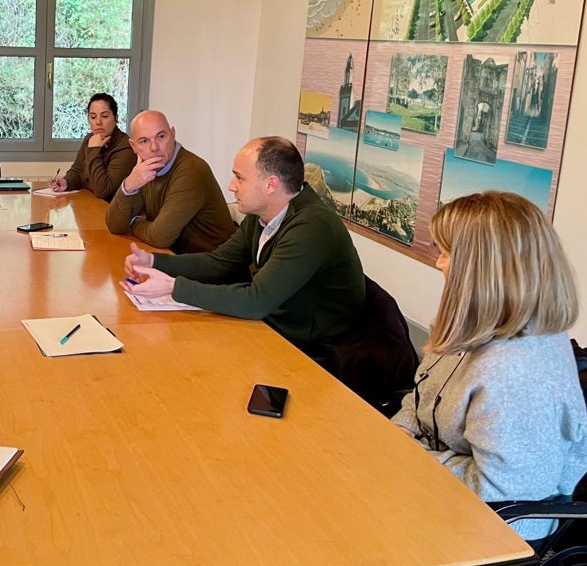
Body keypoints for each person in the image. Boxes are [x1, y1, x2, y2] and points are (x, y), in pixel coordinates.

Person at [319, 191, 587, 566]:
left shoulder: (516, 371)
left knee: (343, 498)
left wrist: (404, 460)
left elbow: (501, 494)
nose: (438, 263)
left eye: (447, 253)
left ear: (483, 270)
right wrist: (397, 435)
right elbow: (419, 397)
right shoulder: (477, 327)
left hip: (501, 524)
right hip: (445, 483)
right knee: (330, 462)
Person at [121, 136, 365, 364]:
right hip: (276, 327)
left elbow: (255, 301)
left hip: (312, 352)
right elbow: (218, 262)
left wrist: (174, 287)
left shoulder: (312, 226)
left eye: (240, 178)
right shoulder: (263, 214)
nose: (231, 186)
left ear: (271, 185)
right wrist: (154, 261)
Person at [104, 109, 237, 253]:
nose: (154, 147)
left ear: (173, 134)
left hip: (212, 267)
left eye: (161, 136)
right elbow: (114, 225)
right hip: (176, 258)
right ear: (134, 146)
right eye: (144, 141)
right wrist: (129, 184)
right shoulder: (145, 169)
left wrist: (132, 222)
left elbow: (159, 237)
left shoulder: (191, 170)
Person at [48, 92, 136, 201]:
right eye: (93, 117)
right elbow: (78, 170)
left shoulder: (125, 148)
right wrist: (66, 182)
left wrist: (94, 150)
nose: (98, 122)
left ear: (115, 118)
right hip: (87, 203)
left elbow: (103, 191)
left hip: (109, 210)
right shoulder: (90, 138)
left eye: (105, 116)